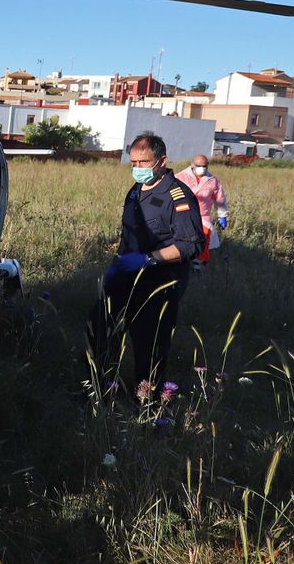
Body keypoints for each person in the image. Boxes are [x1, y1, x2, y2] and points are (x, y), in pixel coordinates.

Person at [89, 133, 205, 395]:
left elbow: (190, 244)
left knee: (149, 347)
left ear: (162, 160)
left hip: (158, 283)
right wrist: (117, 265)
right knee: (101, 332)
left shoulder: (178, 196)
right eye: (133, 162)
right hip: (125, 276)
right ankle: (99, 391)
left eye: (144, 162)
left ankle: (148, 403)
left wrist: (149, 259)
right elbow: (128, 233)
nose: (137, 168)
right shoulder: (135, 191)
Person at [176, 154, 228, 270]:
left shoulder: (213, 181)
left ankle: (197, 264)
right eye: (199, 166)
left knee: (204, 237)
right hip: (182, 214)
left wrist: (222, 215)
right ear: (192, 165)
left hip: (202, 217)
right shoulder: (180, 177)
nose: (202, 168)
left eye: (204, 166)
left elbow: (220, 199)